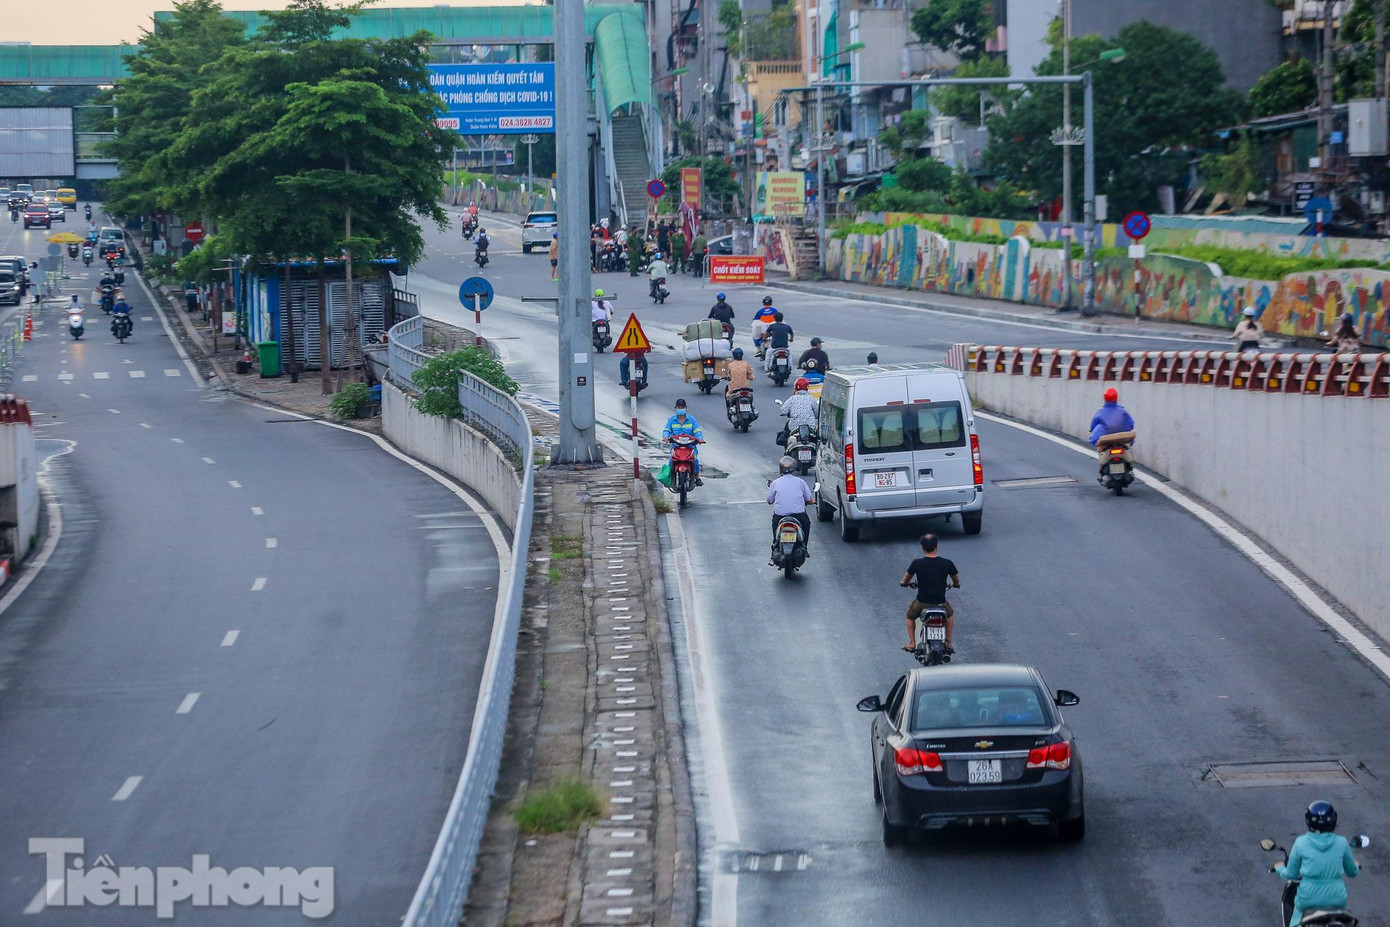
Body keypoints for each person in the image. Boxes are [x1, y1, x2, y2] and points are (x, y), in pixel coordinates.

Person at [1274, 801, 1359, 927]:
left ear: (1308, 821)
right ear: (1333, 820)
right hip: (1337, 898)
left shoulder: (1300, 843)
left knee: (1296, 920)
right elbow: (1352, 872)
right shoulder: (1342, 842)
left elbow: (1291, 874)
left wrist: (1280, 868)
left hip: (1308, 898)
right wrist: (1355, 865)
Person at [899, 533, 959, 653]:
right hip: (941, 604)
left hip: (921, 603)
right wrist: (954, 585)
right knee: (950, 614)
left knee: (909, 616)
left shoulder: (916, 563)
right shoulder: (947, 563)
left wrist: (905, 583)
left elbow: (905, 580)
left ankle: (911, 643)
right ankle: (948, 641)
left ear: (922, 548)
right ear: (937, 546)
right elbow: (956, 580)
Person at [767, 456, 814, 559]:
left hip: (780, 516)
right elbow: (809, 500)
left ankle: (775, 543)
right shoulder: (800, 482)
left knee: (775, 524)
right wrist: (811, 502)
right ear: (794, 468)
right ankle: (804, 546)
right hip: (799, 516)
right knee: (806, 524)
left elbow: (769, 501)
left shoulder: (775, 483)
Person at [662, 399, 704, 485]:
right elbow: (666, 430)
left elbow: (697, 431)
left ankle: (697, 478)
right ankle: (670, 478)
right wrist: (665, 437)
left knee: (695, 460)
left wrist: (700, 439)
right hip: (676, 446)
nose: (680, 409)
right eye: (679, 407)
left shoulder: (691, 419)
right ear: (675, 408)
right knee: (671, 460)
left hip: (690, 446)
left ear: (685, 408)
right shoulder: (671, 420)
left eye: (682, 407)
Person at [1088, 387, 1135, 460]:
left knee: (1093, 438)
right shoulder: (1123, 412)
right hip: (1122, 439)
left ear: (1105, 398)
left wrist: (1092, 432)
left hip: (1105, 439)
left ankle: (1102, 459)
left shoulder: (1100, 412)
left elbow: (1092, 427)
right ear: (1116, 398)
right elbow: (1131, 424)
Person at [778, 377, 819, 443]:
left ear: (795, 388)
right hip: (810, 427)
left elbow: (783, 410)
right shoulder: (811, 399)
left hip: (794, 427)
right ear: (807, 387)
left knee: (785, 434)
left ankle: (787, 447)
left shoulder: (792, 399)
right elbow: (817, 414)